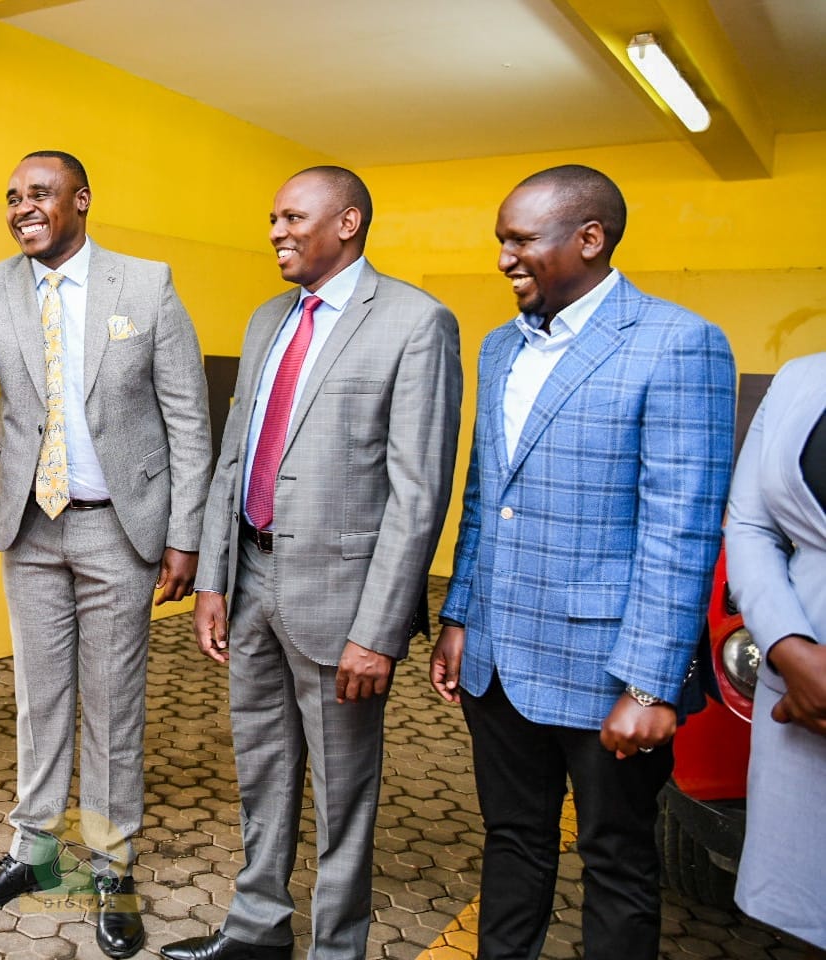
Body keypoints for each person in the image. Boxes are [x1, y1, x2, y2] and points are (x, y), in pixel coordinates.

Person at [0, 150, 211, 959]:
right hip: (30, 524)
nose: (21, 208)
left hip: (119, 525)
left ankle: (110, 868)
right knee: (39, 698)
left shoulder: (147, 285)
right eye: (10, 197)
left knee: (113, 706)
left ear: (80, 200)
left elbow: (186, 418)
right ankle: (31, 852)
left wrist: (185, 535)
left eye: (38, 193)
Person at [431, 164, 735, 959]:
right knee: (512, 842)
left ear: (589, 239)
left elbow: (682, 529)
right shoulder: (500, 346)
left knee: (616, 862)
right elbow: (483, 495)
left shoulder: (678, 342)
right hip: (496, 660)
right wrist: (460, 615)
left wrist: (649, 683)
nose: (503, 257)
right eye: (501, 239)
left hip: (605, 669)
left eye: (520, 240)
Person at [160, 166, 462, 960]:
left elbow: (417, 494)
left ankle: (336, 949)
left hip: (342, 607)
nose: (276, 232)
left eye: (294, 217)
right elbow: (234, 460)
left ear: (348, 223)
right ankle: (257, 928)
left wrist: (380, 631)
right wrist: (216, 581)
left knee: (342, 795)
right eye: (271, 218)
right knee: (260, 771)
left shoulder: (414, 321)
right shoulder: (267, 319)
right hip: (251, 583)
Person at [723, 354, 826, 951]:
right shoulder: (800, 379)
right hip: (801, 690)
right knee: (808, 911)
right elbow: (751, 525)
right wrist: (788, 645)